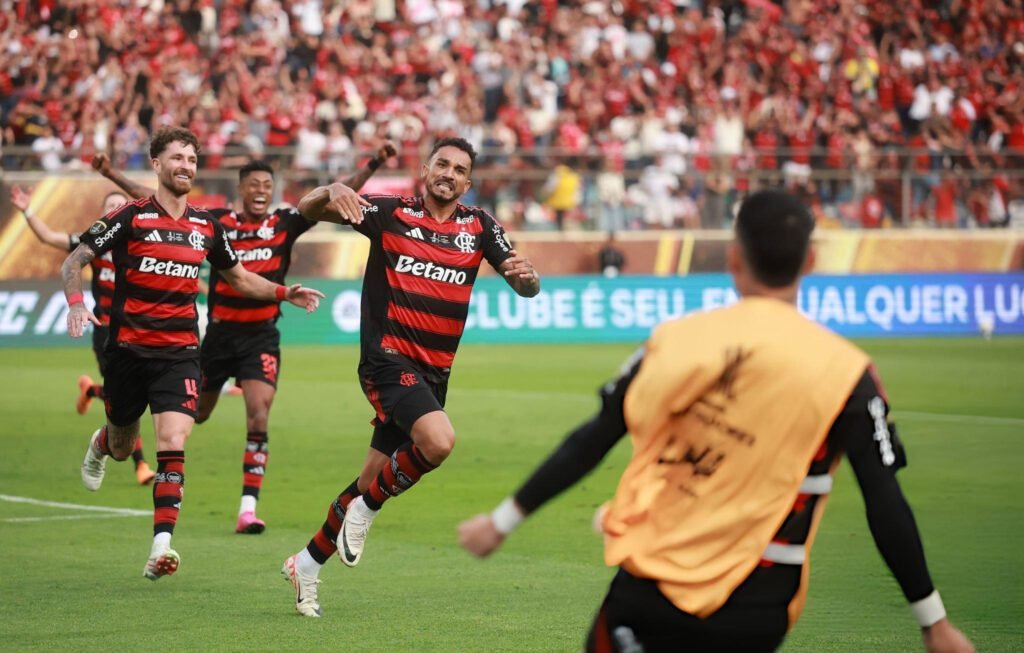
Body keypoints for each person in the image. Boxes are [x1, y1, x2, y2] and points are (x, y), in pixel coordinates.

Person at [458, 190, 975, 653]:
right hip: (762, 607)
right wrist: (933, 623)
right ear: (811, 261)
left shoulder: (678, 339)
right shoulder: (850, 375)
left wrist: (502, 521)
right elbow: (884, 498)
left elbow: (594, 437)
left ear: (733, 258)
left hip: (653, 583)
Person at [281, 136, 541, 618]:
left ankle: (307, 563)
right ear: (425, 169)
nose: (449, 173)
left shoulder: (480, 226)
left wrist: (529, 281)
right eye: (441, 163)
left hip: (433, 374)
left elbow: (523, 282)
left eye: (459, 169)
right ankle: (366, 510)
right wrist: (332, 187)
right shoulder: (388, 212)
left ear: (467, 181)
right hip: (387, 361)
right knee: (439, 442)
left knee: (370, 478)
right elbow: (306, 207)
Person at [91, 141, 397, 534]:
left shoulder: (285, 222)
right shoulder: (216, 221)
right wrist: (110, 174)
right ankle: (116, 433)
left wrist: (372, 164)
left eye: (267, 185)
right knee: (196, 415)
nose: (260, 191)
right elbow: (151, 202)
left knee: (258, 414)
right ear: (242, 188)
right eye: (253, 184)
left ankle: (247, 509)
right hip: (218, 337)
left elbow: (334, 202)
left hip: (261, 338)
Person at [62, 126, 324, 581]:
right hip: (126, 350)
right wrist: (77, 304)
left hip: (181, 352)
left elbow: (239, 278)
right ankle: (102, 443)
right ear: (158, 164)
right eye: (177, 158)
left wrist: (284, 292)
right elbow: (73, 261)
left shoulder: (206, 226)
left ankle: (161, 545)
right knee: (124, 446)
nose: (186, 165)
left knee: (173, 441)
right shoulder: (130, 217)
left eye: (192, 159)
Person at [10, 184, 156, 485]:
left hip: (139, 332)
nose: (116, 209)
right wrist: (27, 210)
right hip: (105, 331)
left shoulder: (142, 245)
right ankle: (141, 464)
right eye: (110, 205)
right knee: (127, 397)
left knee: (134, 393)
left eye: (121, 204)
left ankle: (91, 391)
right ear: (104, 214)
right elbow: (49, 238)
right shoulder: (95, 245)